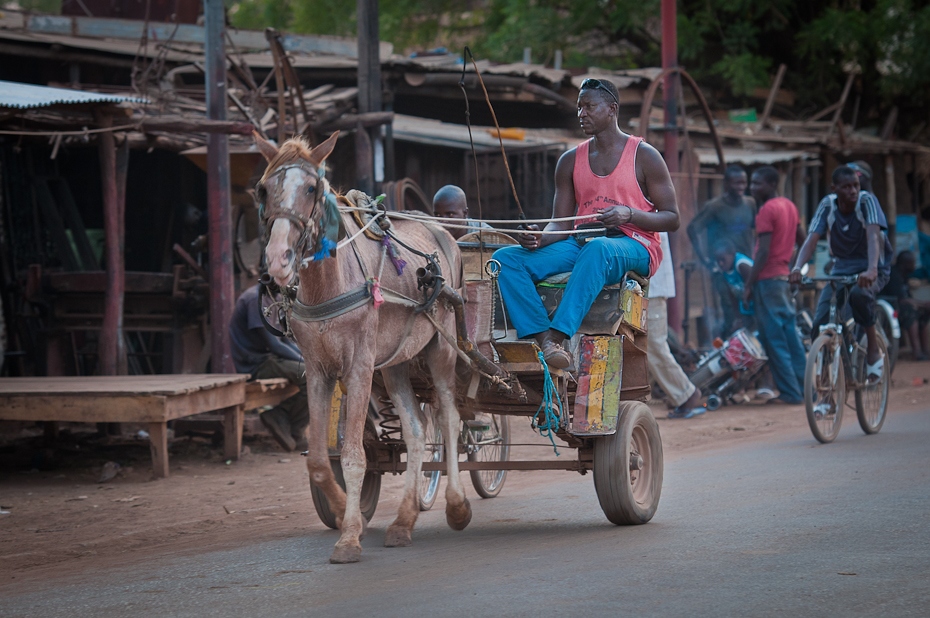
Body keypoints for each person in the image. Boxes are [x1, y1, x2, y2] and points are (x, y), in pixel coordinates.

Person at [492, 77, 680, 368]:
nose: (582, 114)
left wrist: (628, 214)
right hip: (582, 243)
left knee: (600, 249)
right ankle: (544, 340)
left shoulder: (645, 156)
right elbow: (560, 224)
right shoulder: (569, 161)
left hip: (635, 245)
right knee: (505, 259)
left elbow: (672, 218)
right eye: (579, 107)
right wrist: (540, 238)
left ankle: (558, 335)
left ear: (612, 109)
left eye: (589, 106)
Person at [791, 166, 893, 383]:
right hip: (841, 267)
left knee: (859, 295)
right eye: (846, 187)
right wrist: (797, 267)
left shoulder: (867, 202)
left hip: (873, 265)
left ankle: (873, 351)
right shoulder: (827, 205)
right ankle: (827, 389)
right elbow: (811, 239)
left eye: (855, 185)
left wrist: (872, 269)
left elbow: (874, 237)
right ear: (834, 188)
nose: (853, 191)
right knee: (820, 323)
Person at [743, 166, 807, 405]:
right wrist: (793, 265)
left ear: (771, 184)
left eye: (757, 183)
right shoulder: (789, 206)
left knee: (775, 340)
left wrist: (749, 284)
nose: (752, 187)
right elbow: (803, 240)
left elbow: (763, 253)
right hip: (783, 279)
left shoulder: (767, 210)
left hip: (768, 281)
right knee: (792, 339)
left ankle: (791, 393)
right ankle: (803, 388)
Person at [229, 284, 309, 452]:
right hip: (255, 364)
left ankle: (292, 430)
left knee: (319, 376)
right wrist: (308, 363)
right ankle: (281, 418)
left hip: (270, 359)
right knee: (312, 379)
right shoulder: (254, 299)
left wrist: (309, 357)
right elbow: (274, 345)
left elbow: (285, 340)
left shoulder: (278, 298)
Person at [688, 165, 756, 337]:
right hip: (724, 270)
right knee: (731, 312)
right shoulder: (715, 207)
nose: (741, 187)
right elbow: (693, 229)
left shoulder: (750, 203)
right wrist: (705, 260)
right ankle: (733, 348)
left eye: (743, 183)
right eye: (736, 183)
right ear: (726, 184)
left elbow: (756, 229)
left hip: (745, 266)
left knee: (753, 307)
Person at [647, 232, 704, 418]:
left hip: (652, 289)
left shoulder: (651, 208)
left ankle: (686, 393)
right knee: (648, 348)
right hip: (644, 287)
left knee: (655, 347)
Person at [881, 251, 930, 360]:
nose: (914, 265)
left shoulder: (904, 276)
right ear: (905, 264)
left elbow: (908, 298)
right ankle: (916, 352)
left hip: (901, 307)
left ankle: (925, 350)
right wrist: (923, 304)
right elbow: (902, 300)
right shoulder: (894, 275)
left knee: (925, 312)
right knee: (910, 312)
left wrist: (923, 305)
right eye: (912, 262)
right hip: (890, 310)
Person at [713, 239, 754, 334]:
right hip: (746, 309)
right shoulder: (724, 271)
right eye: (718, 260)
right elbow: (732, 295)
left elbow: (755, 287)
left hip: (757, 306)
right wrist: (738, 318)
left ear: (732, 254)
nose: (720, 263)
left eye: (723, 259)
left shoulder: (741, 265)